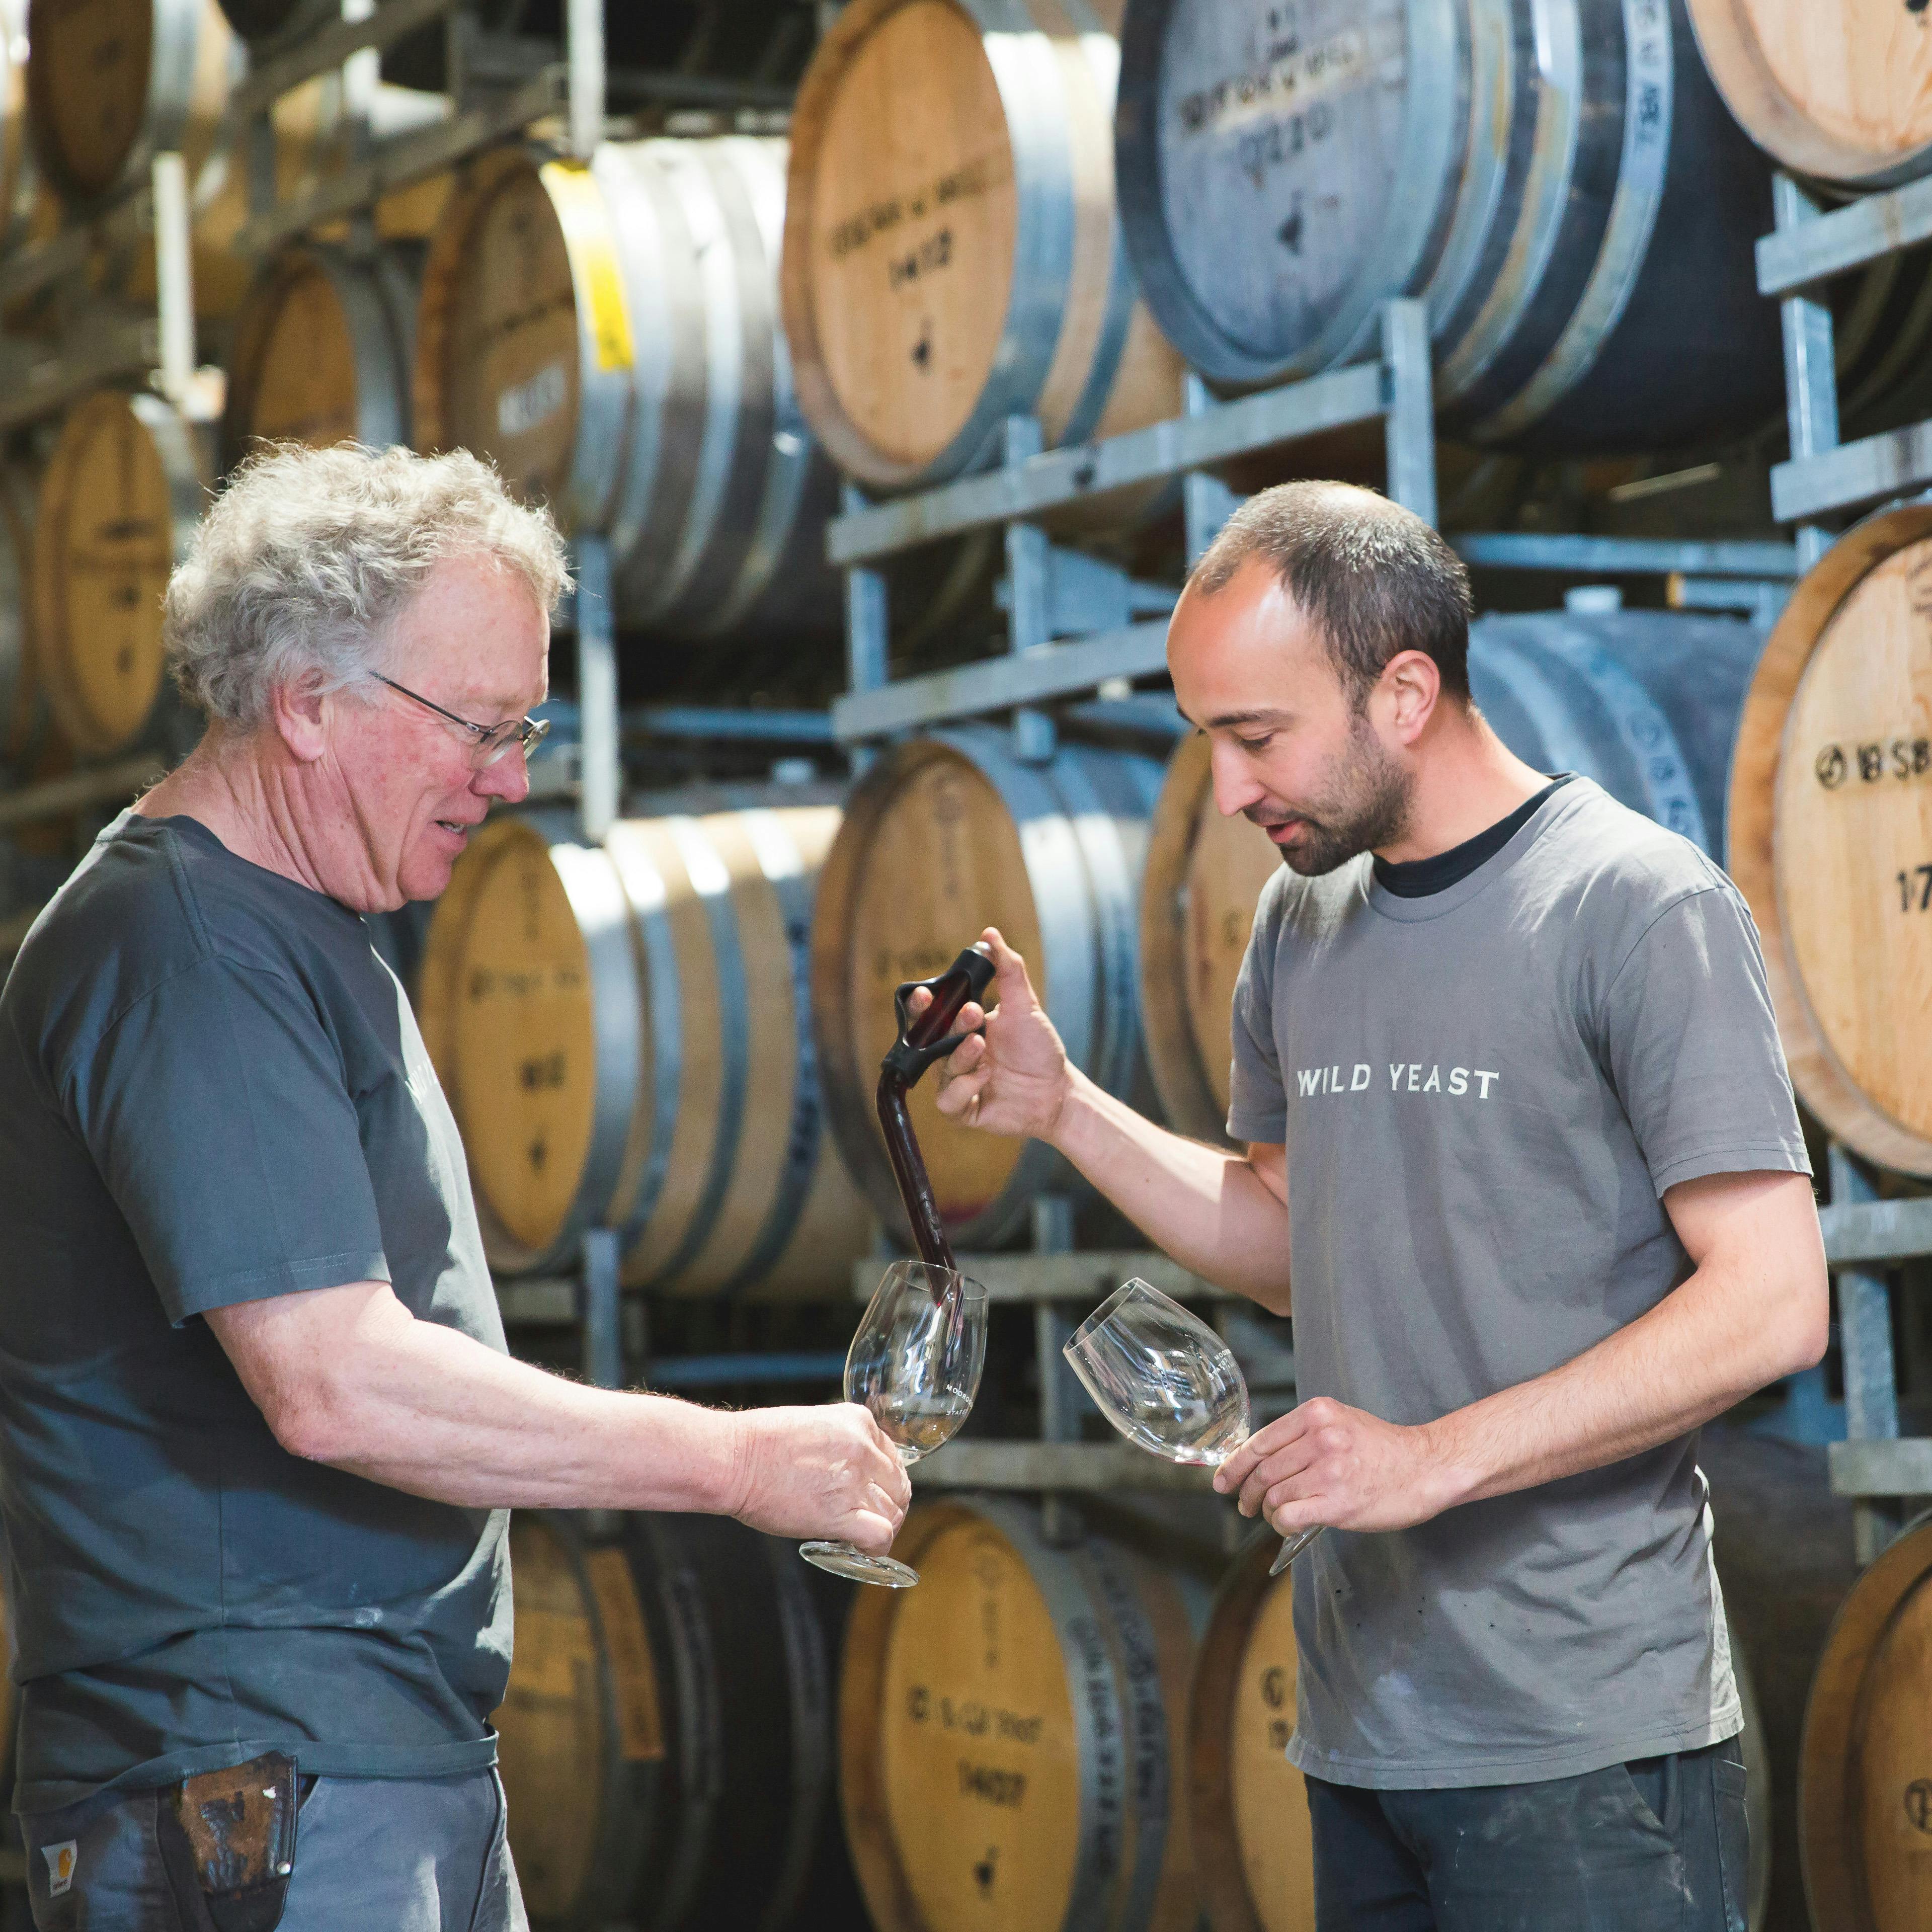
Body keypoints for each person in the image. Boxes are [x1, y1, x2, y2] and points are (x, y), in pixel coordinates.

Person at [0, 444, 910, 1932]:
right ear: (307, 702)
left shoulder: (296, 925)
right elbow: (334, 1382)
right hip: (252, 1782)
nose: (513, 776)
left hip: (341, 1768)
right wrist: (734, 1462)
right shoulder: (186, 950)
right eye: (480, 727)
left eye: (525, 725)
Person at [923, 482, 1827, 1930]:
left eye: (1256, 736)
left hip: (1587, 1739)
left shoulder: (1635, 907)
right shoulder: (1303, 923)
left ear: (1404, 693)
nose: (1228, 792)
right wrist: (1062, 1105)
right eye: (1207, 741)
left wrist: (1430, 1461)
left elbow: (1774, 1302)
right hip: (1361, 1724)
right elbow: (1290, 1243)